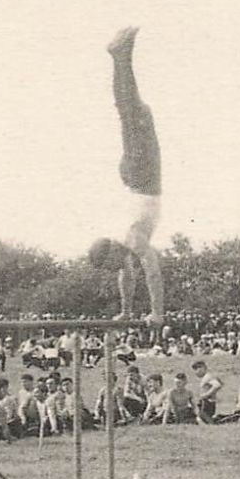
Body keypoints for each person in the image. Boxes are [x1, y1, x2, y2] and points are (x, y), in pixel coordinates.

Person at [86, 27, 165, 325]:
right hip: (137, 179)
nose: (120, 269)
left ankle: (120, 56)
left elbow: (152, 269)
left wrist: (158, 311)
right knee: (135, 111)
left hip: (141, 176)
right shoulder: (125, 247)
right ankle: (121, 57)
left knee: (132, 111)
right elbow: (128, 276)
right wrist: (128, 311)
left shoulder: (131, 237)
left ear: (112, 252)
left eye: (114, 265)